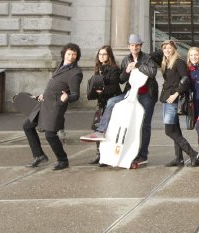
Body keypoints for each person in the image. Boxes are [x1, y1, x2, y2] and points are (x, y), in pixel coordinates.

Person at [81, 34, 158, 168]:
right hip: (130, 93)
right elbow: (122, 79)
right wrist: (127, 71)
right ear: (129, 46)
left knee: (144, 124)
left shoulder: (147, 58)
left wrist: (138, 65)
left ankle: (143, 155)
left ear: (141, 46)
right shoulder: (125, 60)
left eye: (137, 45)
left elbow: (152, 72)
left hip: (146, 94)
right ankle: (102, 130)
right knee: (112, 102)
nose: (135, 47)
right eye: (132, 45)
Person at [23, 43, 83, 171]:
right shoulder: (61, 66)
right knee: (27, 126)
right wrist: (43, 95)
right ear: (64, 54)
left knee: (50, 134)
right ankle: (39, 155)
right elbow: (54, 86)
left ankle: (63, 160)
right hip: (44, 103)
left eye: (74, 54)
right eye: (69, 54)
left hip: (55, 107)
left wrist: (67, 98)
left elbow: (75, 95)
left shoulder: (75, 73)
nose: (71, 56)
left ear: (77, 56)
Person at [155, 40, 199, 167]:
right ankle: (179, 158)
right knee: (176, 129)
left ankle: (193, 154)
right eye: (164, 48)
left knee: (169, 130)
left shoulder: (178, 62)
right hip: (166, 98)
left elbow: (185, 80)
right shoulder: (166, 62)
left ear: (174, 49)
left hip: (173, 99)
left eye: (169, 48)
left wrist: (176, 94)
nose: (167, 50)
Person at [87, 45, 122, 165]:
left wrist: (102, 90)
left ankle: (107, 157)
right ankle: (99, 155)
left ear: (109, 55)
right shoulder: (99, 68)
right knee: (97, 128)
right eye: (100, 54)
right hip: (102, 103)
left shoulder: (114, 69)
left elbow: (113, 87)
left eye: (104, 54)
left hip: (112, 102)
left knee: (109, 130)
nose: (102, 56)